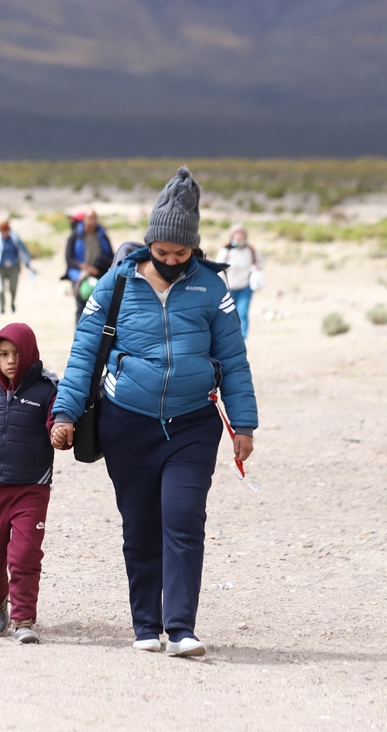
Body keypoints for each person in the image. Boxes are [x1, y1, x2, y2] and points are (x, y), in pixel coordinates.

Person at [50, 167, 258, 658]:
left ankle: (181, 627)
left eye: (180, 253)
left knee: (183, 519)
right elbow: (84, 354)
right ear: (149, 245)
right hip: (127, 423)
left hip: (192, 423)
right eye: (161, 252)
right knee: (139, 524)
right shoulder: (115, 285)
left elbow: (233, 358)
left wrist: (243, 423)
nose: (169, 260)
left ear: (194, 248)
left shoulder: (212, 288)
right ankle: (146, 625)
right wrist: (64, 413)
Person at [0, 322, 58, 644]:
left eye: (16, 354)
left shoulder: (48, 390)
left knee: (24, 555)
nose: (10, 361)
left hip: (31, 488)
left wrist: (59, 433)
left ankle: (24, 618)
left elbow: (57, 423)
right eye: (3, 354)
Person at [62, 210, 114, 322]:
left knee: (100, 309)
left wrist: (99, 268)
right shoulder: (75, 236)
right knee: (81, 308)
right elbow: (68, 258)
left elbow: (111, 256)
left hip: (99, 275)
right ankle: (79, 336)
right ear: (84, 220)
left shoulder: (102, 236)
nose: (91, 221)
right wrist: (83, 267)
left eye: (93, 218)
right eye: (89, 218)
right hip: (79, 276)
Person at [215, 224, 261, 339]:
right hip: (228, 287)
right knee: (227, 315)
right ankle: (226, 339)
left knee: (243, 314)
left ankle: (242, 339)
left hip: (245, 287)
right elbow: (218, 268)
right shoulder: (226, 249)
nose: (239, 236)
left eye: (241, 233)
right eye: (236, 233)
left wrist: (256, 267)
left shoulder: (250, 250)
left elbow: (260, 263)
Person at [0, 220, 34, 314]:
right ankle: (2, 307)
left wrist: (27, 262)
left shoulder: (14, 237)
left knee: (13, 288)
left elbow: (23, 249)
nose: (5, 233)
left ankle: (12, 303)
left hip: (13, 267)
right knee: (0, 288)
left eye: (6, 231)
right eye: (3, 231)